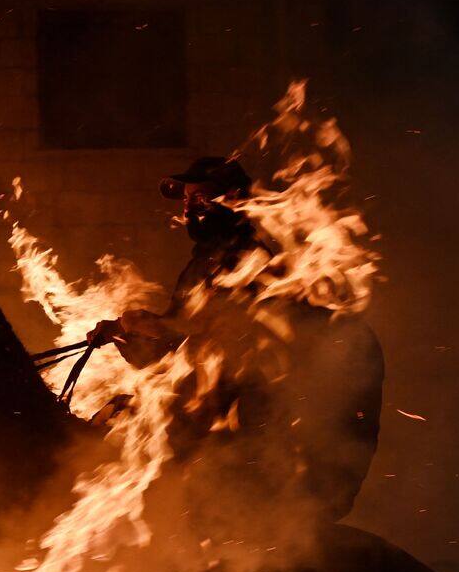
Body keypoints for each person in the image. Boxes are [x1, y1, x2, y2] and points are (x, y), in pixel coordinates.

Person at [87, 156, 384, 538]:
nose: (189, 207)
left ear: (232, 198)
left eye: (200, 197)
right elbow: (170, 357)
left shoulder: (269, 251)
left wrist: (164, 326)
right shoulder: (200, 268)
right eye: (186, 199)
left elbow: (244, 336)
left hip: (275, 438)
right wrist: (123, 335)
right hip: (221, 433)